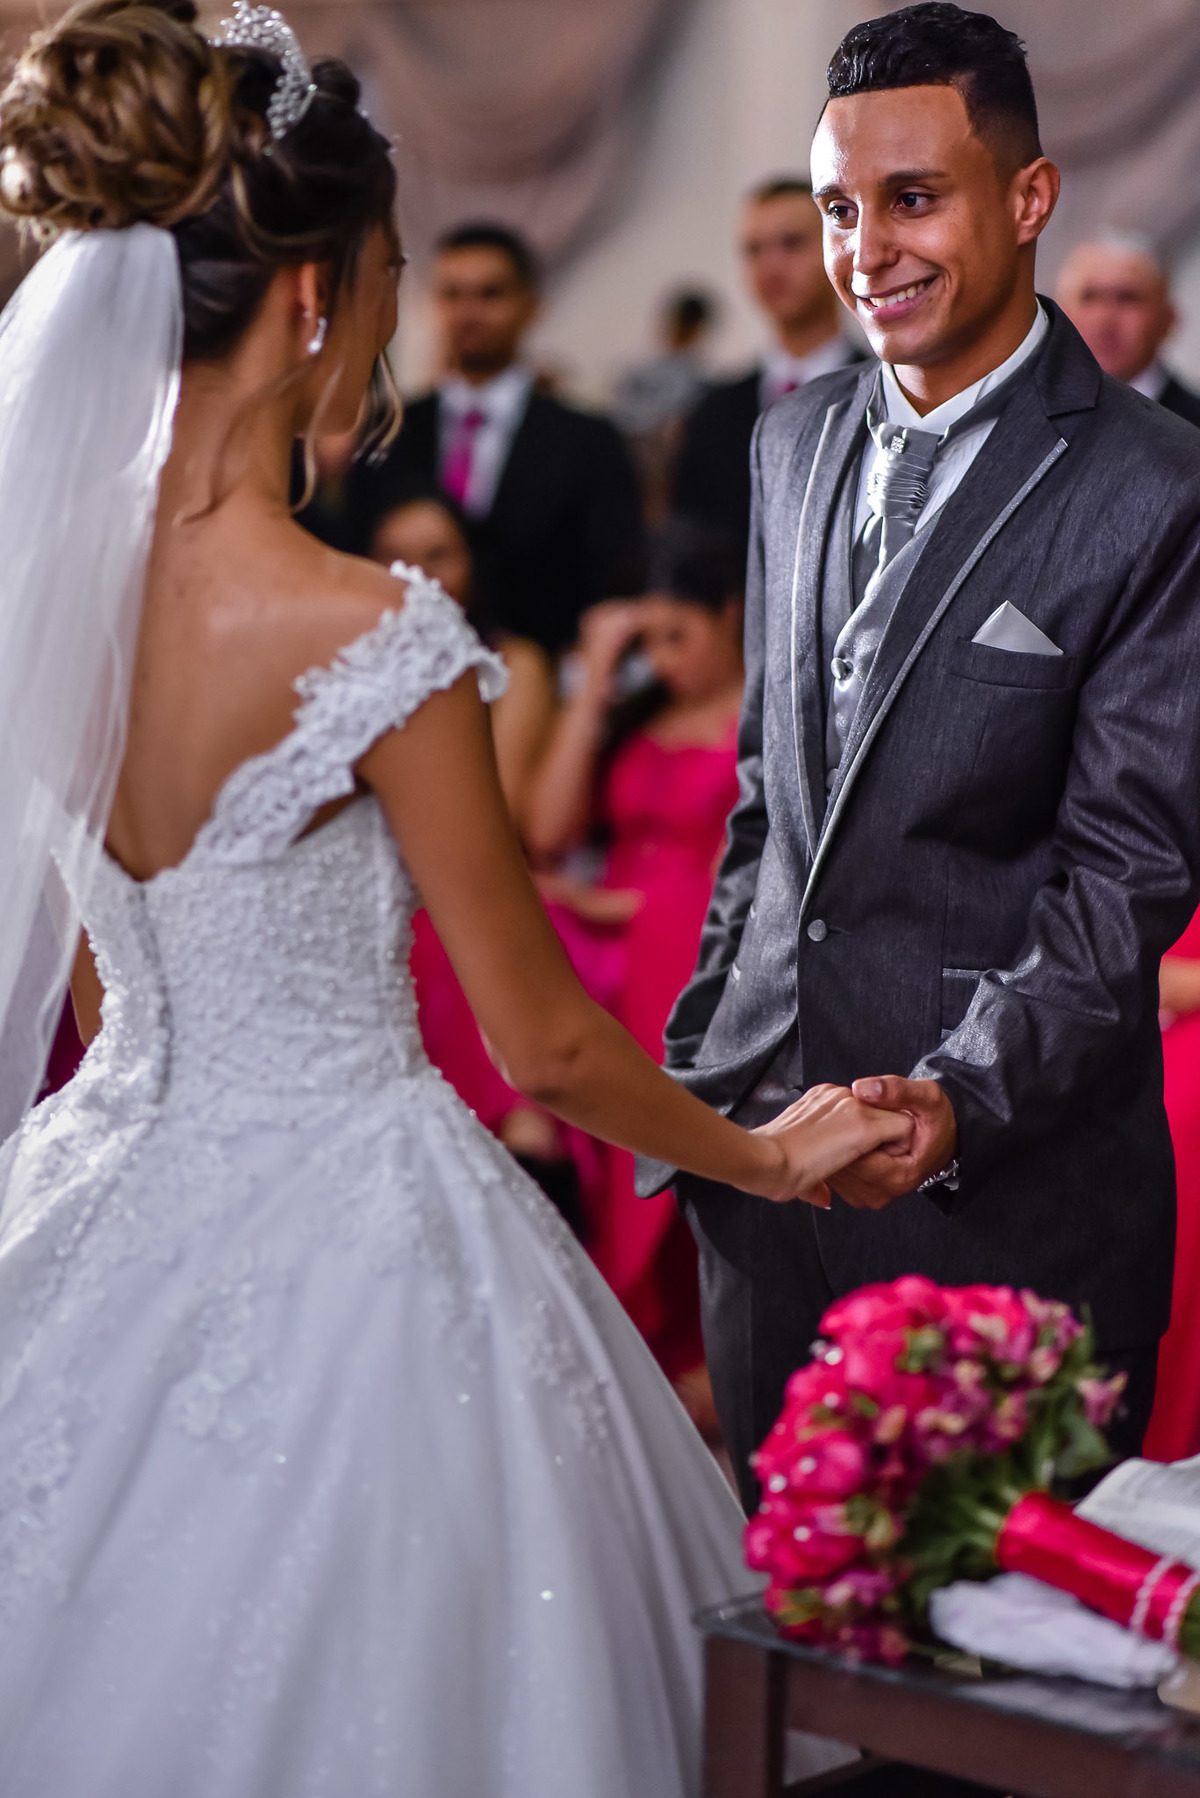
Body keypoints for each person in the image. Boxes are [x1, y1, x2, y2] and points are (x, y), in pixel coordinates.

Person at [0, 3, 909, 1793]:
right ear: (320, 291)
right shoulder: (371, 634)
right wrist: (772, 1153)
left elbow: (102, 984)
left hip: (95, 1192)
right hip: (355, 1228)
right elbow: (549, 1043)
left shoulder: (49, 603)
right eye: (394, 268)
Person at [638, 2, 1200, 1518]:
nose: (864, 247)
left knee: (990, 1711)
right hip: (763, 1180)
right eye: (837, 206)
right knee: (784, 1662)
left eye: (911, 198)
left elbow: (1126, 880)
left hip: (994, 1197)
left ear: (1029, 198)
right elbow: (771, 800)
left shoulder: (1159, 490)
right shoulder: (790, 442)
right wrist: (720, 1052)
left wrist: (947, 1098)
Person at [527, 521, 744, 1392]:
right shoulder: (636, 714)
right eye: (645, 638)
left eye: (678, 634)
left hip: (703, 941)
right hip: (613, 947)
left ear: (729, 612)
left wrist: (633, 906)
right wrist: (594, 685)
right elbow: (548, 832)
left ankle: (665, 1329)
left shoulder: (768, 712)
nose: (666, 657)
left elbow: (775, 866)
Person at [365, 221, 644, 655]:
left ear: (531, 304)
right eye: (452, 294)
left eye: (489, 294)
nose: (468, 312)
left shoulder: (587, 440)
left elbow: (613, 571)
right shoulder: (389, 429)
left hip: (544, 671)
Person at [673, 176, 865, 561]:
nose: (770, 266)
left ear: (838, 246)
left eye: (791, 244)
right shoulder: (711, 411)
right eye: (753, 250)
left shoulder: (887, 391)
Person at [1056, 233, 1200, 428]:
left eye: (1127, 298)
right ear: (1059, 314)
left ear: (1167, 320)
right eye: (1089, 297)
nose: (1105, 319)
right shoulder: (1028, 417)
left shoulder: (1193, 429)